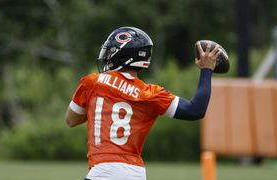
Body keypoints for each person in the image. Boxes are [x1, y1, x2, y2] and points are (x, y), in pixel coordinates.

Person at [65, 26, 221, 180]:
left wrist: (97, 104)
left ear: (121, 55)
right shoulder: (150, 94)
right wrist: (206, 70)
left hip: (104, 170)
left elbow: (71, 120)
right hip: (135, 173)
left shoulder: (92, 82)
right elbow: (195, 110)